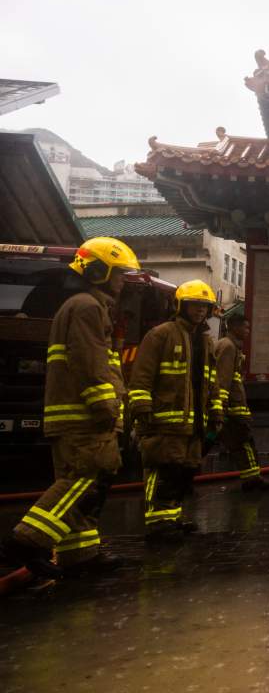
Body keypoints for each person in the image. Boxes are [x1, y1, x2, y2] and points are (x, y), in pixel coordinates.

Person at [0, 237, 140, 579]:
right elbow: (91, 363)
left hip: (72, 416)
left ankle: (80, 555)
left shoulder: (78, 305)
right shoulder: (88, 307)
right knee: (85, 476)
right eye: (118, 273)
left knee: (79, 480)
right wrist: (108, 409)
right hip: (85, 417)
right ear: (97, 271)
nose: (122, 281)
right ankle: (25, 541)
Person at [128, 280, 224, 540]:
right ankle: (157, 524)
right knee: (162, 471)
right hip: (163, 419)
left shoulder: (205, 342)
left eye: (205, 307)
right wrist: (141, 405)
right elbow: (142, 375)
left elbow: (210, 381)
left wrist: (216, 411)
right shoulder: (161, 334)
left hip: (192, 422)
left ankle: (172, 518)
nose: (200, 311)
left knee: (184, 472)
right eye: (194, 305)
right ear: (180, 306)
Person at [214, 314, 269, 492]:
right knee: (245, 443)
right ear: (234, 327)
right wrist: (222, 407)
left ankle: (252, 479)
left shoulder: (230, 345)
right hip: (233, 409)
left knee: (239, 445)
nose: (248, 331)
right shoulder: (228, 346)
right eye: (245, 327)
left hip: (231, 407)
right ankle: (253, 480)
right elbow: (223, 379)